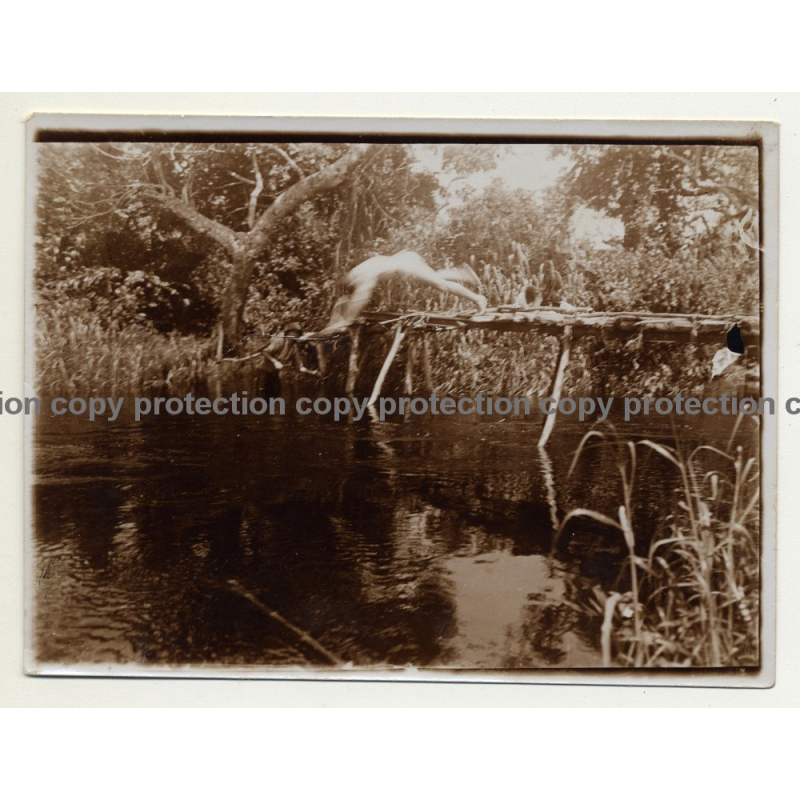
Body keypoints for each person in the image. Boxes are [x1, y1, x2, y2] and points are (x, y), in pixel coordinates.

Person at [317, 251, 487, 335]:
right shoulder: (353, 276)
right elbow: (344, 302)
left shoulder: (358, 279)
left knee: (441, 285)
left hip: (406, 263)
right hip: (404, 262)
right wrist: (331, 326)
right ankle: (462, 273)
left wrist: (344, 322)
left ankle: (477, 298)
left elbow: (361, 298)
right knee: (436, 279)